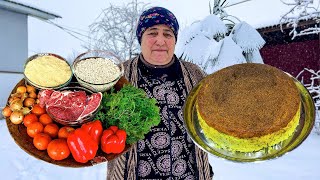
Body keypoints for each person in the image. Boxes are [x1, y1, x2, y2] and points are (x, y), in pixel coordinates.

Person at [107, 6, 213, 180]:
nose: (160, 41)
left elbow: (214, 117)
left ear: (175, 40)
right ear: (141, 38)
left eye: (168, 34)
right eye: (152, 33)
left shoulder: (195, 75)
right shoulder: (118, 76)